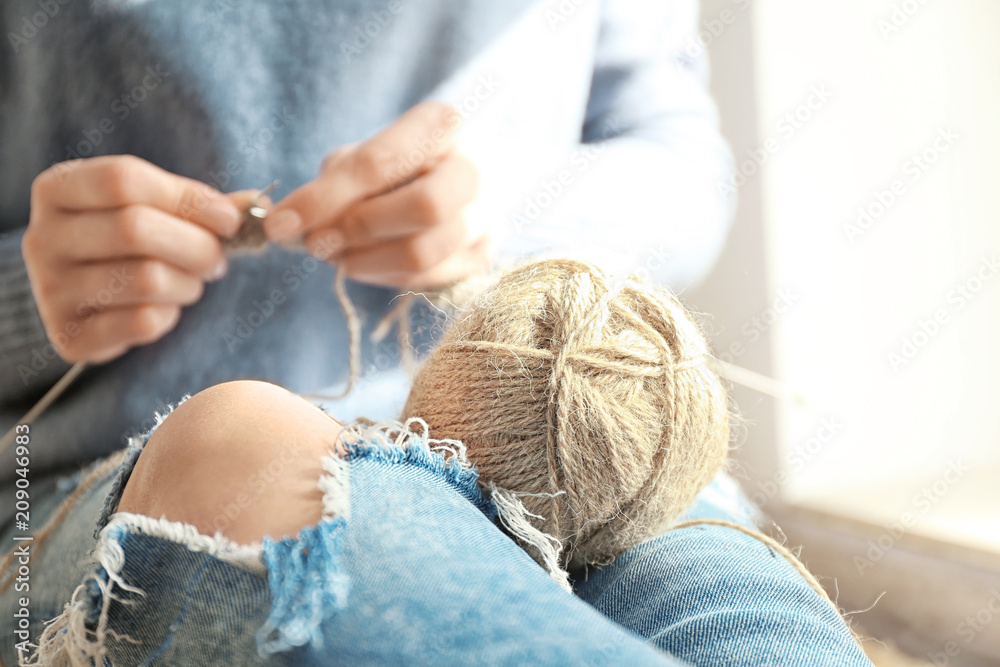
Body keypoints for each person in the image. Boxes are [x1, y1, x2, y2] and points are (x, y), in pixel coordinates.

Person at [0, 1, 873, 665]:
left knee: (728, 599)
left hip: (567, 440)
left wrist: (507, 215)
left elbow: (683, 168)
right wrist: (25, 295)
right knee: (248, 451)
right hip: (100, 477)